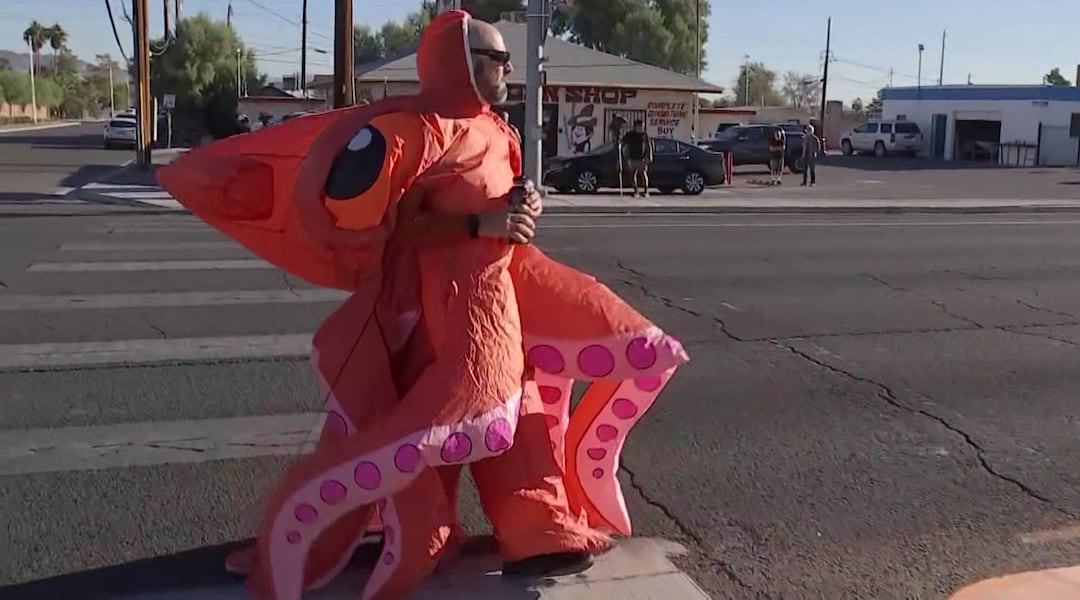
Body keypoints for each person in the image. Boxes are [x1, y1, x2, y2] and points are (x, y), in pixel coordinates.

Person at [157, 10, 689, 600]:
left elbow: (500, 212)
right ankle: (397, 531)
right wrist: (477, 220)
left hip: (500, 300)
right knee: (433, 428)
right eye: (496, 58)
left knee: (521, 412)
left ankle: (537, 529)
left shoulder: (496, 131)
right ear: (461, 64)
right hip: (433, 318)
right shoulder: (420, 130)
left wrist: (519, 209)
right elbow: (391, 223)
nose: (508, 68)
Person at [620, 120, 652, 197]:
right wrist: (619, 141)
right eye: (640, 126)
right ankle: (636, 191)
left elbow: (648, 146)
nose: (642, 127)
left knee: (643, 174)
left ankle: (646, 191)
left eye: (642, 126)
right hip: (632, 157)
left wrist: (649, 156)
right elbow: (622, 141)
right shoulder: (630, 135)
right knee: (633, 174)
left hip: (642, 158)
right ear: (636, 126)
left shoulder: (644, 135)